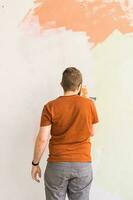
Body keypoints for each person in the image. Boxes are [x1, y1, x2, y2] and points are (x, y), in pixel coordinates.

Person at [31, 67, 99, 200]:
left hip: (57, 165)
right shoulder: (89, 104)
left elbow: (42, 139)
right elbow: (92, 132)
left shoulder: (50, 106)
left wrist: (35, 164)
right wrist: (84, 101)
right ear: (79, 86)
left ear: (61, 84)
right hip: (82, 164)